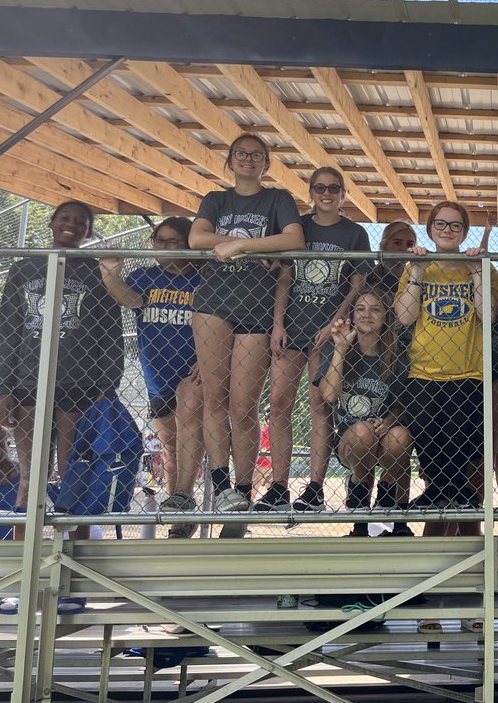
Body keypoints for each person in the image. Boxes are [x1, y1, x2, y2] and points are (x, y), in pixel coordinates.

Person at [189, 133, 305, 528]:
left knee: (244, 406)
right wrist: (253, 243)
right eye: (242, 154)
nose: (249, 160)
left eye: (257, 155)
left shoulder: (278, 199)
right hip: (213, 305)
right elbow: (197, 237)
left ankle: (241, 488)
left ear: (267, 162)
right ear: (231, 160)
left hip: (257, 307)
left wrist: (241, 246)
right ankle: (220, 484)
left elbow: (295, 239)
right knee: (214, 397)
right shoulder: (216, 199)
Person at [0, 200, 123, 529]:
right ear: (51, 222)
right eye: (65, 218)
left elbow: (110, 332)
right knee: (30, 475)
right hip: (28, 382)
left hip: (79, 383)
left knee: (73, 474)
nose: (72, 225)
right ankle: (22, 558)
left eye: (80, 221)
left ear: (88, 231)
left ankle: (73, 551)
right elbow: (9, 329)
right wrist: (4, 387)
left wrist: (107, 386)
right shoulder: (25, 268)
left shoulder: (96, 271)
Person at [264, 168, 370, 513]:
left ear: (343, 193)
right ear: (311, 192)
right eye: (320, 188)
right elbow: (285, 277)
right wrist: (278, 323)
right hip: (293, 326)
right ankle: (279, 485)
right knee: (278, 402)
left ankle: (314, 487)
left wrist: (335, 322)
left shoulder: (354, 233)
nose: (326, 193)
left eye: (333, 188)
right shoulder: (299, 228)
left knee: (319, 406)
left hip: (327, 332)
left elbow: (356, 285)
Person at [394, 201, 498, 534]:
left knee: (460, 438)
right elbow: (404, 316)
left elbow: (489, 316)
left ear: (464, 231)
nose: (447, 230)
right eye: (440, 224)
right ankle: (442, 490)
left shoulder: (480, 265)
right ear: (430, 229)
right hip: (424, 368)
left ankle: (456, 491)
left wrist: (477, 269)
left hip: (467, 369)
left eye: (455, 226)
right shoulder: (419, 265)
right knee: (427, 437)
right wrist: (417, 270)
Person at [99, 217, 204, 539]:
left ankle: (185, 497)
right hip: (157, 374)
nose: (165, 247)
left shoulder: (203, 277)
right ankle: (180, 517)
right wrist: (110, 274)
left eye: (173, 242)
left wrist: (208, 359)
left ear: (188, 244)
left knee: (189, 421)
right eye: (160, 240)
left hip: (194, 370)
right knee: (171, 449)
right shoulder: (146, 277)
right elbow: (129, 300)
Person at [316, 289, 412, 536]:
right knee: (362, 431)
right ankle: (358, 488)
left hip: (384, 435)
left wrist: (388, 421)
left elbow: (404, 403)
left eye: (375, 309)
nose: (366, 314)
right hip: (351, 441)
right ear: (352, 316)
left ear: (385, 317)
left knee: (401, 436)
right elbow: (329, 395)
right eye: (360, 309)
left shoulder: (397, 355)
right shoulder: (338, 347)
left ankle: (387, 492)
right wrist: (340, 349)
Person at [365, 221, 417, 301]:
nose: (403, 248)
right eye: (397, 243)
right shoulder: (371, 276)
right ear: (385, 244)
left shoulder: (415, 276)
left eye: (409, 244)